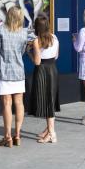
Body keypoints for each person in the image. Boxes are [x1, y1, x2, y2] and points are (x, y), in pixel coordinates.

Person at [0, 6, 29, 148]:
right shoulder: (24, 33)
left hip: (4, 70)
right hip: (18, 71)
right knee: (19, 103)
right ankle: (17, 135)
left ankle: (7, 137)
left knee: (7, 104)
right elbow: (23, 51)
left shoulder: (0, 29)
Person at [28, 15, 60, 143]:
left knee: (47, 102)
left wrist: (29, 53)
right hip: (53, 69)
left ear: (37, 27)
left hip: (42, 72)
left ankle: (52, 133)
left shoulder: (36, 41)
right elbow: (56, 56)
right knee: (51, 100)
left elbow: (37, 62)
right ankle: (48, 129)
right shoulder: (55, 38)